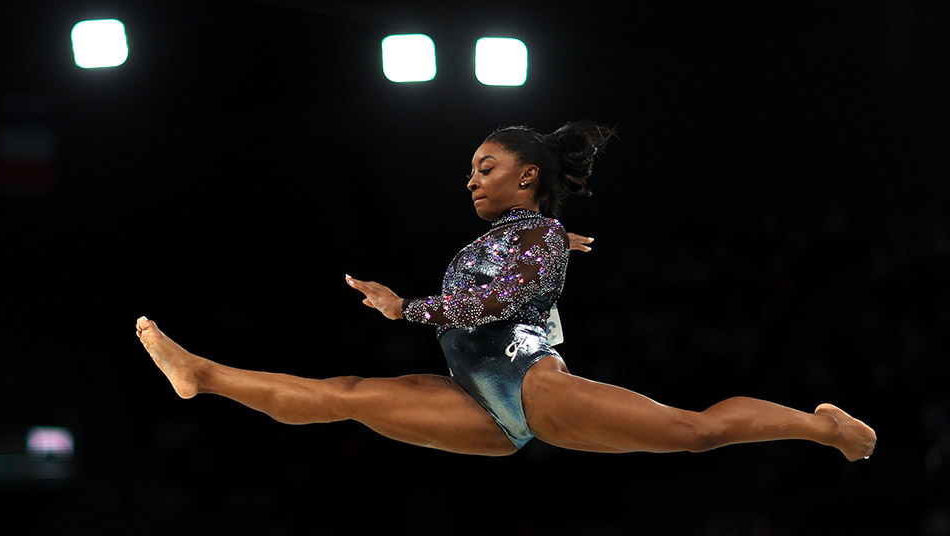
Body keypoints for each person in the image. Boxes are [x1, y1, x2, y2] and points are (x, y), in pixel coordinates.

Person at [134, 121, 876, 461]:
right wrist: (556, 239)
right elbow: (518, 266)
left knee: (692, 432)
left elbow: (493, 304)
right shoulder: (527, 235)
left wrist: (406, 307)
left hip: (529, 385)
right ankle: (202, 377)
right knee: (348, 394)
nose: (470, 178)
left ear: (527, 173)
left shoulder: (539, 235)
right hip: (477, 403)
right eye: (469, 168)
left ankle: (821, 426)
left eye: (484, 166)